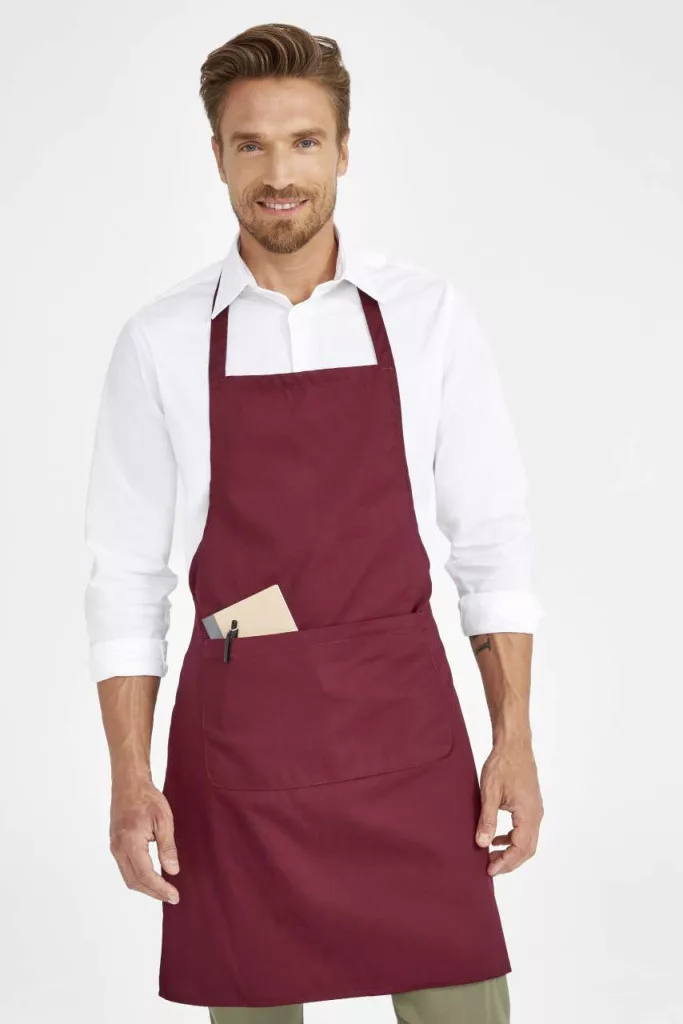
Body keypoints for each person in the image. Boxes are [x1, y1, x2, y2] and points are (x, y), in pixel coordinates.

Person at [84, 22, 544, 1024]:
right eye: (250, 144)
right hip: (241, 741)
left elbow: (489, 540)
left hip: (405, 732)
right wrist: (129, 776)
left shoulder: (425, 316)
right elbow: (125, 577)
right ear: (217, 156)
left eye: (303, 141)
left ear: (342, 150)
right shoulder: (162, 341)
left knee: (462, 1009)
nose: (279, 173)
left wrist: (511, 738)